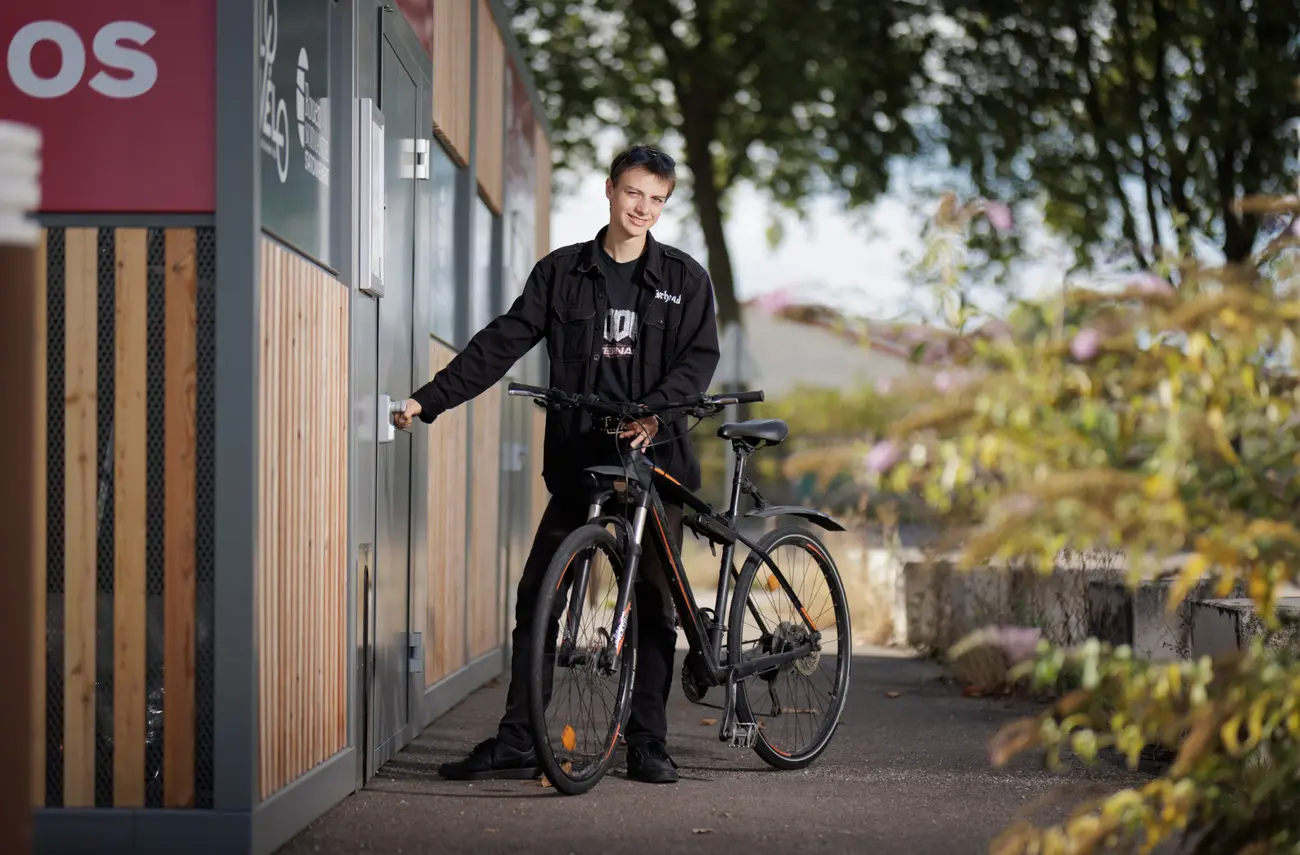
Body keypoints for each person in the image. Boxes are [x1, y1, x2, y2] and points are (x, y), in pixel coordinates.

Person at [394, 144, 720, 784]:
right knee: (538, 596)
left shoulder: (685, 279)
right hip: (583, 463)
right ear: (608, 190)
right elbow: (502, 341)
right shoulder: (563, 273)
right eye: (634, 193)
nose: (643, 209)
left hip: (657, 464)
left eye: (657, 199)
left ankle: (647, 743)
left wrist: (654, 412)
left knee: (654, 606)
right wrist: (427, 400)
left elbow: (697, 365)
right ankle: (519, 741)